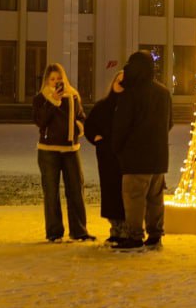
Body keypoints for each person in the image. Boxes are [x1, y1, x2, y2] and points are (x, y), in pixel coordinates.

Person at [111, 51, 173, 251]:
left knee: (134, 198)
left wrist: (118, 148)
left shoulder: (131, 93)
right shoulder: (163, 93)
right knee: (155, 199)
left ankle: (135, 236)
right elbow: (169, 123)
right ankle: (155, 234)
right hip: (158, 157)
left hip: (136, 157)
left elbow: (122, 125)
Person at [32, 63, 94, 243]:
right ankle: (54, 232)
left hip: (70, 150)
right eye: (52, 79)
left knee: (76, 190)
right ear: (47, 80)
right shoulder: (40, 98)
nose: (56, 82)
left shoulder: (73, 95)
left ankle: (79, 231)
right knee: (51, 192)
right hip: (48, 151)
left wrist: (78, 128)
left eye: (59, 79)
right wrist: (53, 101)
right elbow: (40, 121)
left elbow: (81, 116)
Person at [85, 69, 127, 244]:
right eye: (118, 79)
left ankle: (125, 229)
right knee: (110, 192)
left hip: (124, 157)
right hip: (106, 157)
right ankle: (114, 228)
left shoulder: (129, 105)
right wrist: (97, 139)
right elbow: (89, 125)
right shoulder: (102, 105)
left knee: (124, 192)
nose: (120, 83)